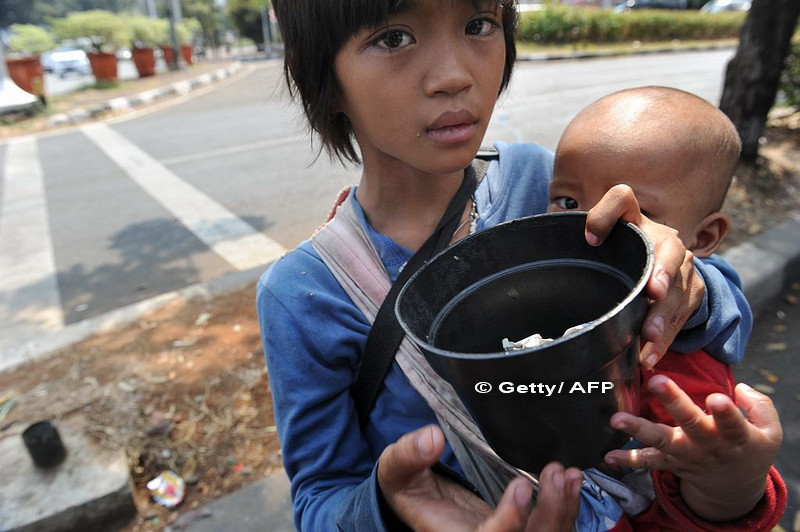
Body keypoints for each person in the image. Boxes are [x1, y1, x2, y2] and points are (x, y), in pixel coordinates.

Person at [256, 1, 783, 530]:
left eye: (478, 25)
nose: (454, 76)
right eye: (394, 38)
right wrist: (388, 504)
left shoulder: (550, 184)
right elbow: (321, 498)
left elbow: (723, 313)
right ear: (321, 73)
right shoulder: (304, 293)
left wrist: (682, 278)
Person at [545, 86, 786, 528]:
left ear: (704, 237)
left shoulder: (684, 379)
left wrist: (728, 484)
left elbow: (720, 502)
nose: (591, 225)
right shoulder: (546, 303)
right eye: (568, 202)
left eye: (637, 212)